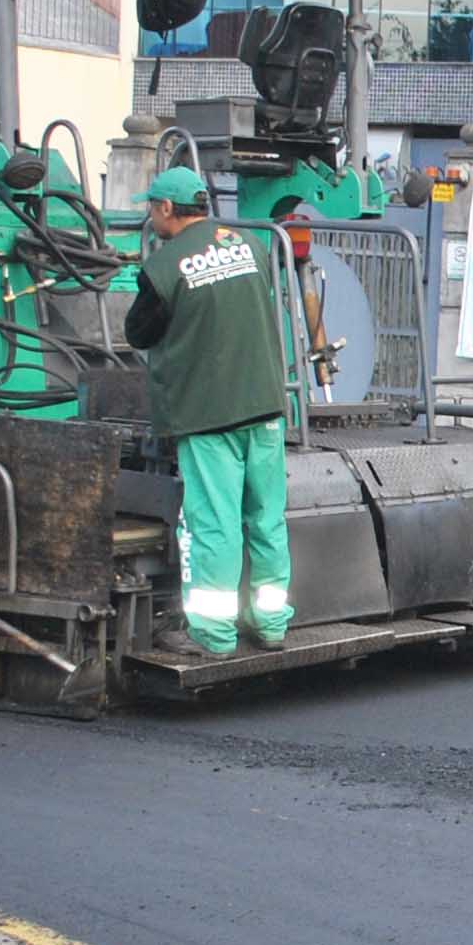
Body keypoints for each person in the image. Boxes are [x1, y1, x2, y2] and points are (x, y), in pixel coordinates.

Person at [123, 169, 292, 656]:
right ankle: (272, 622)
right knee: (266, 516)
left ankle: (214, 634)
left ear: (168, 209)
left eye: (151, 207)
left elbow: (138, 333)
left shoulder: (166, 265)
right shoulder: (252, 246)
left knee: (214, 523)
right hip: (264, 407)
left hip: (209, 414)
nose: (150, 216)